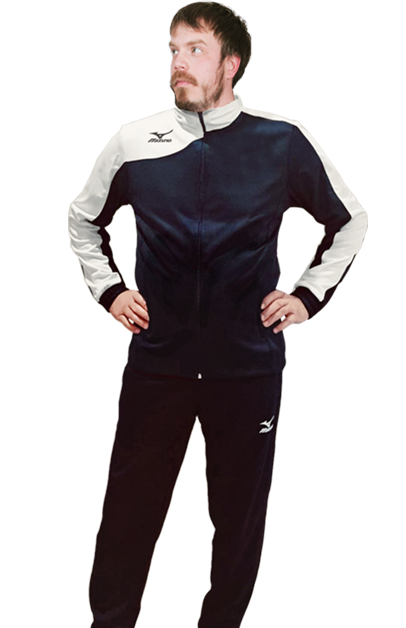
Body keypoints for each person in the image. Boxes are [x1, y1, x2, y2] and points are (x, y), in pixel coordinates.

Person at [68, 3, 368, 627]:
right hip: (159, 363)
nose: (178, 62)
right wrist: (110, 290)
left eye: (195, 50)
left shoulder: (281, 142)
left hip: (247, 365)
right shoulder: (134, 142)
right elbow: (82, 220)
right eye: (173, 50)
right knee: (129, 510)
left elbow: (349, 221)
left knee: (237, 517)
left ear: (231, 64)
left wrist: (307, 294)